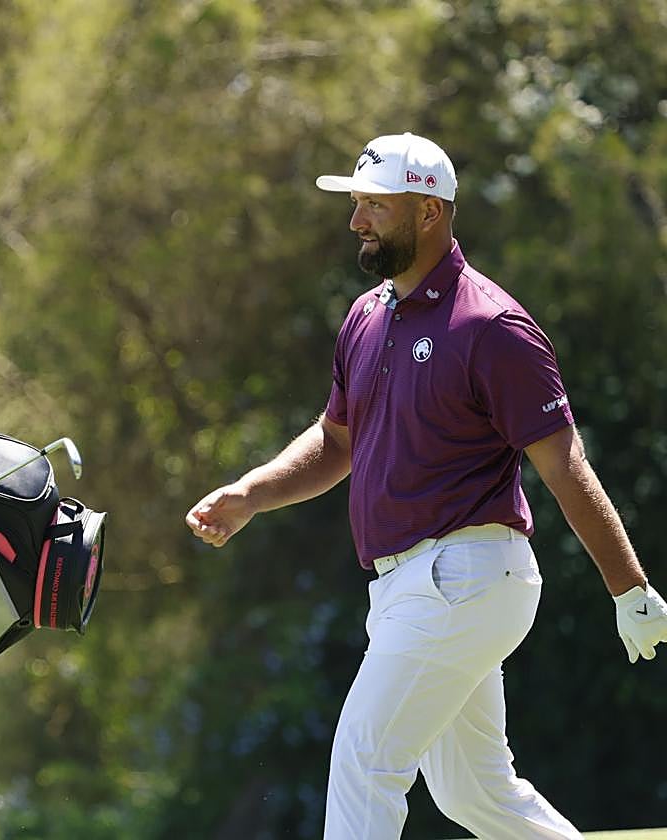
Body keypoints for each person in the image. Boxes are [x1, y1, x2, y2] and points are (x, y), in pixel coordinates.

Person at [185, 133, 667, 839]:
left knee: (364, 759)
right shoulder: (366, 316)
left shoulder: (492, 326)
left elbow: (565, 465)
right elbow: (336, 441)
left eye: (375, 206)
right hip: (413, 586)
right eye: (356, 205)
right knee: (475, 793)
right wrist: (252, 492)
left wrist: (629, 588)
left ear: (430, 211)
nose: (357, 222)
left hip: (464, 577)